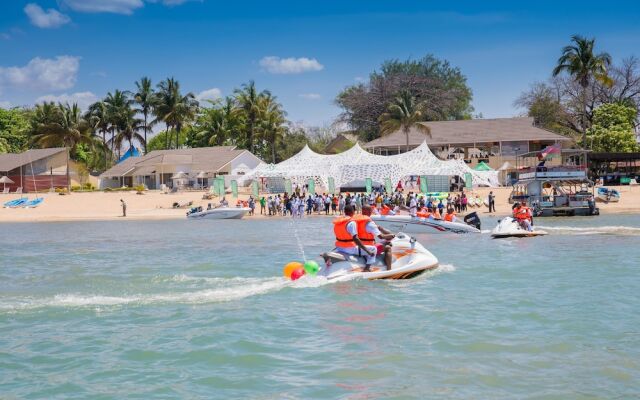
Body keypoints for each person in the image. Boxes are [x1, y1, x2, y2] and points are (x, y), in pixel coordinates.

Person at [333, 205, 378, 272]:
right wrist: (367, 251)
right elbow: (355, 239)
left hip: (339, 247)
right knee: (373, 249)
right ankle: (367, 268)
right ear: (353, 212)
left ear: (344, 212)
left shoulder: (338, 223)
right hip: (349, 248)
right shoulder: (351, 222)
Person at [360, 205, 395, 270]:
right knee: (388, 247)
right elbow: (381, 237)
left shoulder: (356, 221)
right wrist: (392, 236)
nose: (371, 212)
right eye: (370, 210)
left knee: (387, 242)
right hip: (368, 248)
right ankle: (389, 270)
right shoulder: (370, 223)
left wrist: (379, 228)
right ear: (369, 211)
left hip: (358, 246)